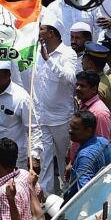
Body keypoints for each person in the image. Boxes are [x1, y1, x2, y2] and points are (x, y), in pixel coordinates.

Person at [33, 16, 79, 193]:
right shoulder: (37, 52)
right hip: (41, 117)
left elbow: (70, 79)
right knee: (44, 161)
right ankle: (46, 198)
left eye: (42, 28)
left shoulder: (68, 53)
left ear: (51, 33)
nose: (39, 32)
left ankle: (68, 195)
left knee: (63, 160)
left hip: (61, 119)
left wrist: (49, 60)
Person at [68, 109, 111, 194]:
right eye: (70, 127)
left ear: (88, 130)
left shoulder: (85, 157)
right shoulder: (104, 142)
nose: (70, 131)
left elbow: (85, 193)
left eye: (75, 128)